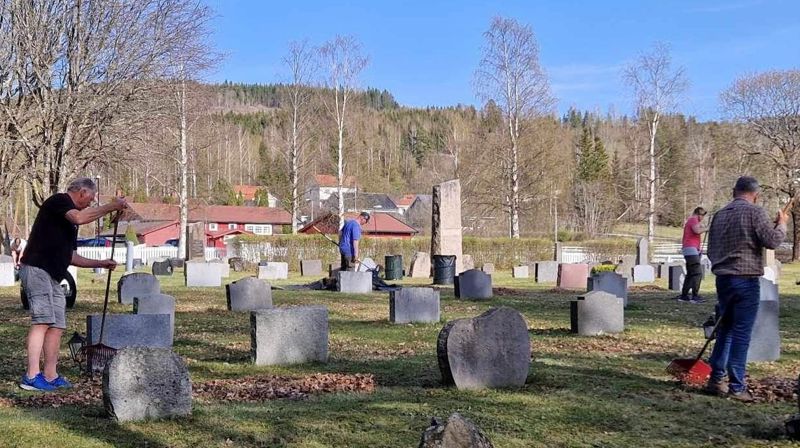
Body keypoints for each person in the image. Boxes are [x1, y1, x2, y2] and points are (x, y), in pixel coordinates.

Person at [18, 177, 127, 392]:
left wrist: (101, 263)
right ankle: (31, 376)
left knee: (57, 325)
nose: (90, 203)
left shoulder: (69, 224)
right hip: (36, 269)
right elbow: (78, 218)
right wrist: (110, 207)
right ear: (82, 192)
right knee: (42, 321)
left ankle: (50, 375)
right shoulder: (59, 201)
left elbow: (70, 256)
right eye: (91, 199)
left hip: (53, 276)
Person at [704, 176, 787, 402]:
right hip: (745, 279)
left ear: (734, 191)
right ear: (755, 194)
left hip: (723, 279)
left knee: (726, 329)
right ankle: (737, 386)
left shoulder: (719, 215)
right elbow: (772, 242)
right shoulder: (755, 212)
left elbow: (711, 249)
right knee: (741, 333)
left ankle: (715, 379)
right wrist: (782, 224)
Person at [676, 207, 708, 303]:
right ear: (699, 214)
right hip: (691, 249)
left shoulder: (691, 221)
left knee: (690, 273)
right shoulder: (693, 220)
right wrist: (708, 228)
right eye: (702, 216)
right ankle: (695, 296)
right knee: (697, 273)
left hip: (689, 249)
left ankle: (684, 296)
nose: (702, 218)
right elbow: (697, 231)